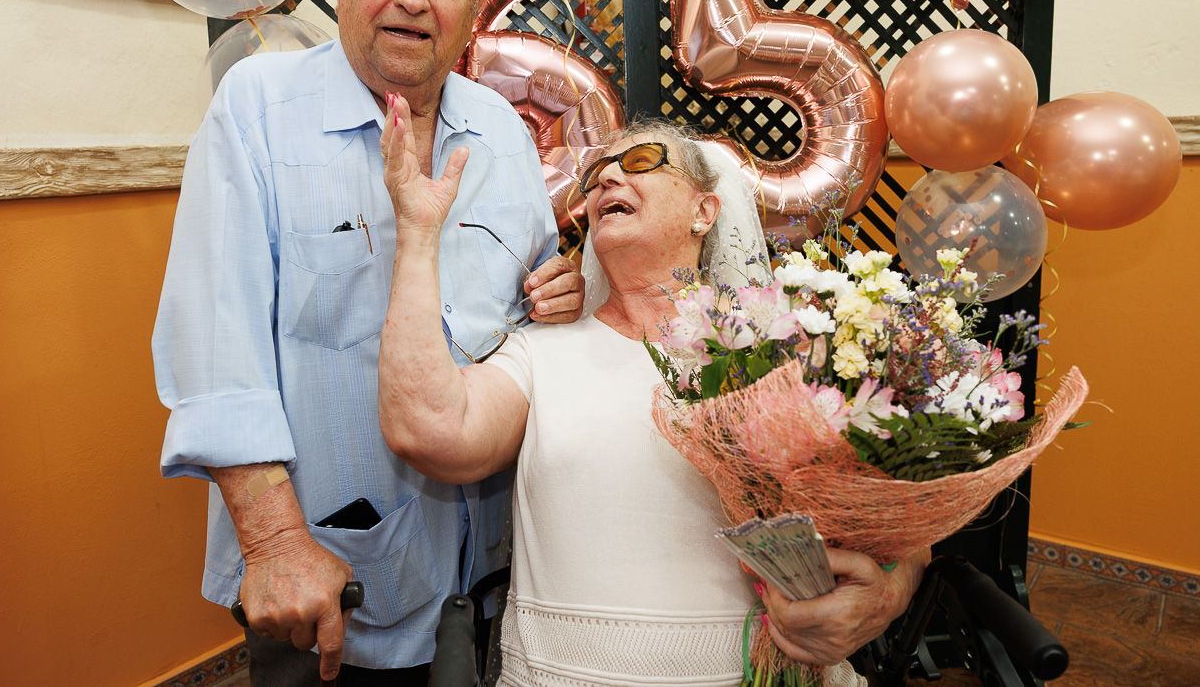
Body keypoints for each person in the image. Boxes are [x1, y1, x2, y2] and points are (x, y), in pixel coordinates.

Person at [153, 0, 584, 685]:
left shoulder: (501, 130)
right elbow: (214, 344)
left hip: (489, 581)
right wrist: (275, 544)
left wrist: (562, 298)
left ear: (473, 2)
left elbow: (523, 309)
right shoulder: (257, 108)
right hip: (326, 583)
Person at [378, 116, 930, 686]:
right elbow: (429, 429)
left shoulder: (789, 349)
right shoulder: (541, 351)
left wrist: (887, 593)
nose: (607, 180)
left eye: (640, 162)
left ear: (704, 212)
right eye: (595, 177)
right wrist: (418, 235)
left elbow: (904, 525)